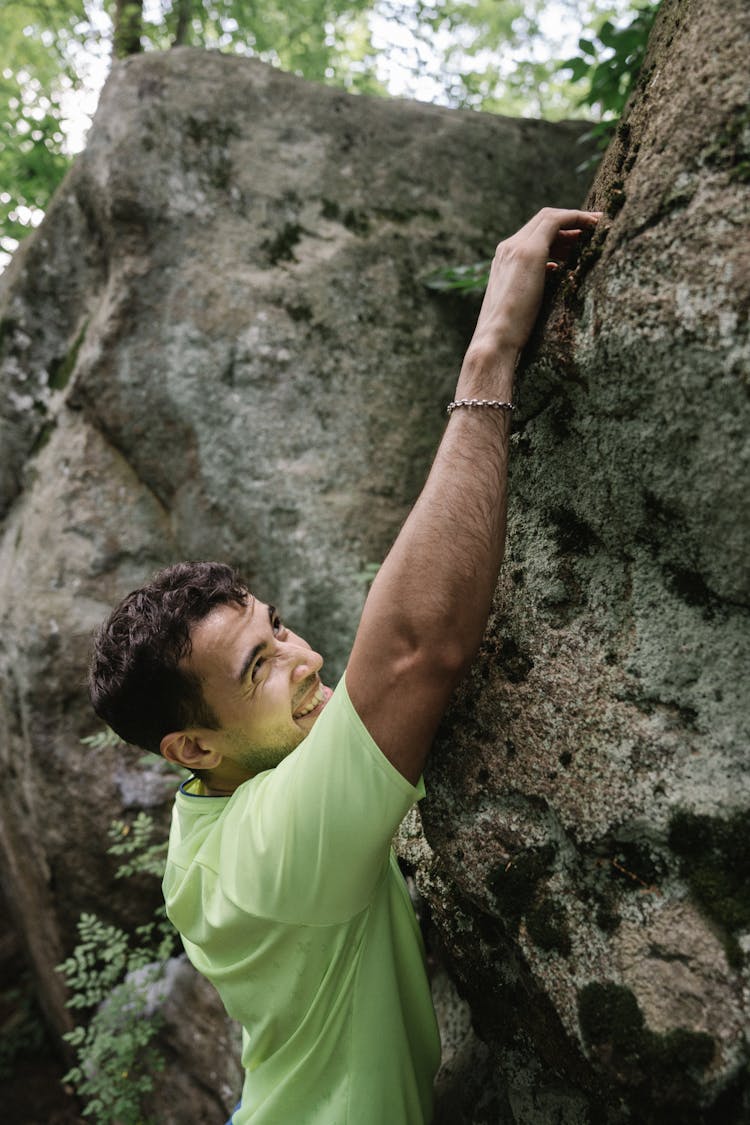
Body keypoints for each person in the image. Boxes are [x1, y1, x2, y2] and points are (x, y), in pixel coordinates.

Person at [89, 207, 601, 1125]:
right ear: (191, 746)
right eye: (259, 667)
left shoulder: (206, 820)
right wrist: (491, 353)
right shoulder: (260, 860)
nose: (307, 656)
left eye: (278, 628)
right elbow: (412, 652)